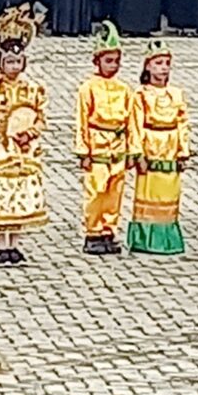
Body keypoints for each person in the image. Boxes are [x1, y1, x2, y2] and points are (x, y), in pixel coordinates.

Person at [0, 4, 48, 267]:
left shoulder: (33, 89)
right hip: (0, 148)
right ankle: (0, 243)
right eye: (9, 61)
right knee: (1, 194)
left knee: (20, 195)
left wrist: (30, 132)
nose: (13, 66)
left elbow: (40, 116)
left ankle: (15, 243)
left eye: (18, 61)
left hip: (25, 150)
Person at [75, 23, 140, 255]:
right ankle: (92, 231)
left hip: (118, 146)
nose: (112, 66)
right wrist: (83, 150)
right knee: (96, 191)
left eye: (116, 61)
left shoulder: (124, 89)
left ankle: (108, 230)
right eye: (108, 61)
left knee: (115, 192)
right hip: (97, 144)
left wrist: (133, 150)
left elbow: (132, 121)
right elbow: (82, 119)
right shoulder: (88, 88)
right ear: (97, 61)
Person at [127, 41, 190, 256]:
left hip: (170, 146)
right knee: (149, 192)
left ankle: (168, 236)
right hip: (151, 143)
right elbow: (135, 124)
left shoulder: (176, 94)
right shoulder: (141, 95)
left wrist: (183, 151)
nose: (163, 68)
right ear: (147, 67)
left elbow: (182, 122)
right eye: (158, 63)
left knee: (169, 193)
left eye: (166, 64)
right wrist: (137, 153)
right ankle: (145, 238)